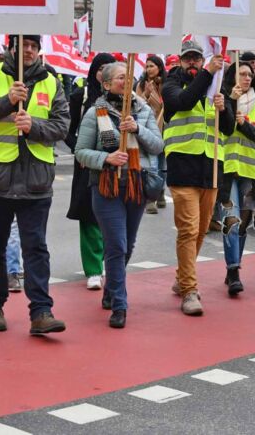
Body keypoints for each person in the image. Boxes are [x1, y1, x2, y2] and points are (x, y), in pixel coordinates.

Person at [0, 34, 70, 335]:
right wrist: (6, 102)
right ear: (12, 47)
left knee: (36, 248)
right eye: (24, 45)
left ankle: (41, 312)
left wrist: (34, 127)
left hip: (36, 182)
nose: (30, 50)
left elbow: (62, 125)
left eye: (35, 46)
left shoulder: (52, 82)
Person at [75, 61, 163, 328]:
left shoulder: (143, 110)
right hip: (107, 186)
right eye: (120, 78)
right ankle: (120, 305)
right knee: (116, 245)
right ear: (106, 84)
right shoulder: (95, 113)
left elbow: (158, 145)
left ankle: (111, 289)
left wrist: (138, 128)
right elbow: (80, 153)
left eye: (129, 77)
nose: (126, 82)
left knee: (128, 245)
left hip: (137, 184)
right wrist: (107, 157)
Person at [161, 39, 231, 316]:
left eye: (196, 58)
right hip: (183, 168)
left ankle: (181, 278)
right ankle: (190, 290)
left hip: (211, 168)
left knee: (201, 230)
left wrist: (224, 108)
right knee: (188, 230)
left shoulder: (215, 85)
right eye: (188, 58)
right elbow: (183, 101)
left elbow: (227, 128)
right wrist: (207, 74)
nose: (192, 62)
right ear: (180, 61)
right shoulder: (171, 83)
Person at [215, 61, 255, 296]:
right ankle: (234, 270)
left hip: (251, 173)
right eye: (242, 74)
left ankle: (233, 267)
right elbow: (223, 130)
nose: (247, 78)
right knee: (231, 223)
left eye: (249, 75)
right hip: (228, 170)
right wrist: (230, 101)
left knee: (243, 224)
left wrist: (244, 124)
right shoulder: (222, 99)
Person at [66, 53, 115, 291]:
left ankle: (109, 260)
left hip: (113, 163)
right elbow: (67, 130)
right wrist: (81, 151)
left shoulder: (122, 99)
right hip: (86, 165)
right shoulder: (80, 96)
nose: (104, 72)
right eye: (101, 68)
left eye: (110, 68)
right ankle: (93, 269)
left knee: (111, 214)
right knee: (89, 215)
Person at [136, 55, 167, 214]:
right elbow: (136, 106)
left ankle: (160, 191)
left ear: (159, 67)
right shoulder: (141, 85)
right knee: (152, 166)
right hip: (151, 130)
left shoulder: (167, 84)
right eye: (147, 66)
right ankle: (150, 199)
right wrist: (147, 95)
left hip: (166, 130)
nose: (148, 69)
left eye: (152, 66)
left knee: (163, 167)